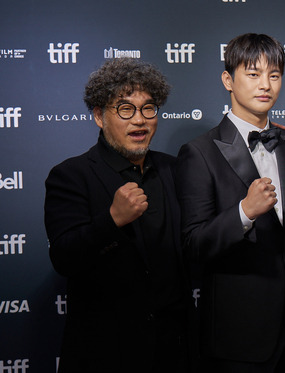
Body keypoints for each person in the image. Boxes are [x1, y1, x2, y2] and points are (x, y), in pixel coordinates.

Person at [176, 33, 285, 372]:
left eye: (274, 74)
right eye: (253, 74)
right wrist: (244, 212)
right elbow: (193, 245)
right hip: (239, 330)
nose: (265, 84)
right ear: (228, 80)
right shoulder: (199, 152)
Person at [44, 58, 191, 373]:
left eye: (148, 109)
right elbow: (64, 257)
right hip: (105, 353)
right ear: (99, 116)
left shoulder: (174, 169)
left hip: (173, 351)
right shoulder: (71, 175)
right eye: (125, 110)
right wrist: (111, 221)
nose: (139, 121)